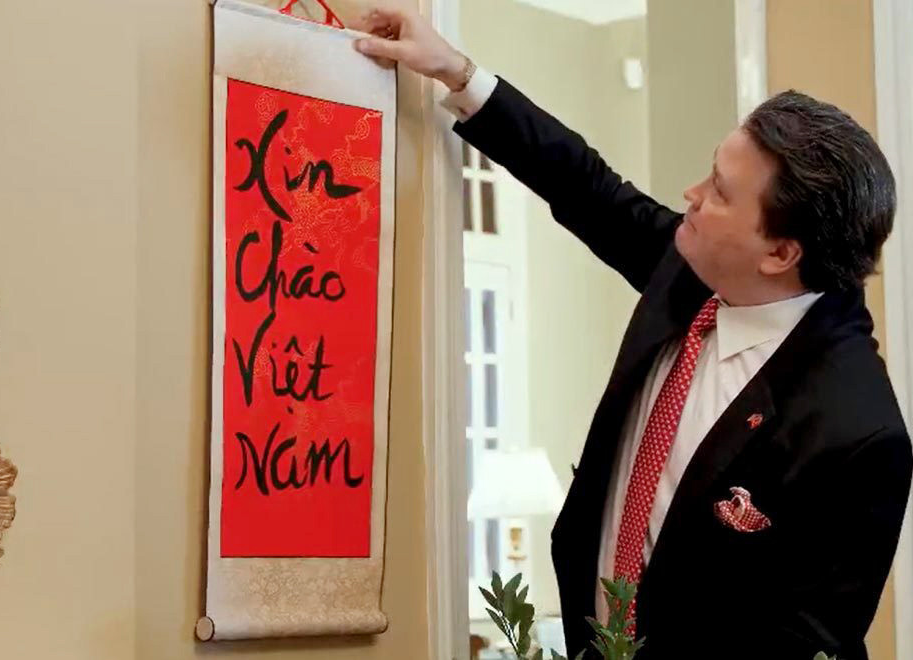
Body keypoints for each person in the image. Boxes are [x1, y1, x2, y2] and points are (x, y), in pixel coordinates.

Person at [354, 7, 913, 660]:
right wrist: (457, 71)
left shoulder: (857, 431)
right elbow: (585, 186)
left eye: (721, 192)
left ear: (781, 253)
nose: (692, 193)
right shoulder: (695, 269)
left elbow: (805, 645)